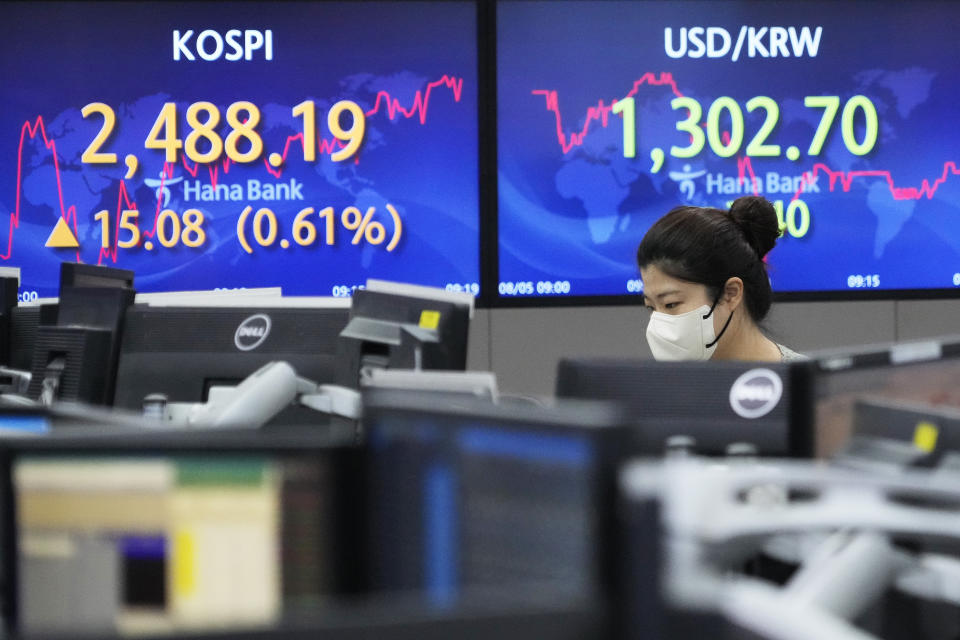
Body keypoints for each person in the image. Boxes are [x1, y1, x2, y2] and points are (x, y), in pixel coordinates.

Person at [636, 195, 805, 362]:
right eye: (651, 308)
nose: (657, 326)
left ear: (731, 293)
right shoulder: (657, 387)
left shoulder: (809, 386)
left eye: (670, 304)